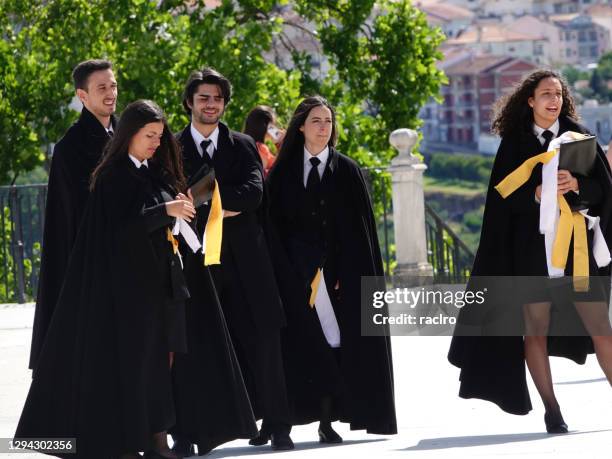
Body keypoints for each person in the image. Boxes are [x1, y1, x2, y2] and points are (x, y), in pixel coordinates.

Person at [15, 100, 196, 459]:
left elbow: (154, 221)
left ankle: (157, 439)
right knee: (129, 369)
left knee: (157, 368)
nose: (156, 143)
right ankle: (127, 442)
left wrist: (179, 206)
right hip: (125, 293)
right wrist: (165, 211)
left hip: (157, 288)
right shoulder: (113, 175)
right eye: (149, 136)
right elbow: (122, 228)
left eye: (160, 136)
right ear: (130, 134)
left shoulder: (152, 172)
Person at [448, 70, 612, 434]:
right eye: (545, 94)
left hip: (575, 251)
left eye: (558, 94)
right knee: (533, 330)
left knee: (601, 328)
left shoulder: (579, 139)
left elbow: (605, 192)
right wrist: (534, 195)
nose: (553, 100)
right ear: (530, 101)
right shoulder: (514, 144)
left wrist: (578, 186)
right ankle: (551, 409)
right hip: (529, 254)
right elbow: (500, 200)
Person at [174, 67, 293, 451]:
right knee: (195, 347)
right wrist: (222, 204)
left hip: (247, 262)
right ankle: (190, 433)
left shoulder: (243, 145)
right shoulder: (171, 147)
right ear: (190, 102)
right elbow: (173, 199)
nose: (212, 105)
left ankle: (276, 426)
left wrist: (207, 199)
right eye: (204, 98)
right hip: (195, 265)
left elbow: (254, 194)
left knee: (264, 341)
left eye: (218, 99)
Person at [266, 96, 397, 441]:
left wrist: (344, 275)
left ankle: (327, 419)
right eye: (316, 121)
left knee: (335, 345)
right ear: (301, 127)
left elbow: (359, 233)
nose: (323, 128)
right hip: (294, 277)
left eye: (328, 121)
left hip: (339, 278)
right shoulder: (282, 172)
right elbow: (273, 227)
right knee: (298, 347)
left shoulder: (348, 171)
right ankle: (284, 423)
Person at [30, 59, 118, 372]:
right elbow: (66, 218)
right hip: (91, 262)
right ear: (83, 96)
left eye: (113, 85)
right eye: (102, 88)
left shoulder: (128, 133)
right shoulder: (70, 147)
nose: (110, 93)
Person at [243, 105, 283, 176]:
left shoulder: (245, 144)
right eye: (272, 125)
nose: (275, 127)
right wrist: (281, 144)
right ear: (264, 125)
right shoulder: (260, 148)